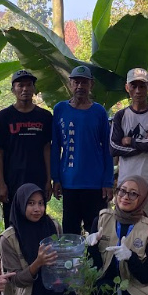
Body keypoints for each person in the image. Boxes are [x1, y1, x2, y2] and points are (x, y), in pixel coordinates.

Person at [0, 183, 75, 295]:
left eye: (41, 203)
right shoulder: (9, 238)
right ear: (20, 204)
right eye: (31, 203)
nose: (37, 209)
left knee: (68, 291)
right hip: (26, 294)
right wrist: (37, 263)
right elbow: (16, 280)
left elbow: (62, 258)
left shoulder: (52, 226)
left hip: (51, 286)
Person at [86, 176, 148, 295]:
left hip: (135, 286)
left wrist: (131, 257)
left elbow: (146, 276)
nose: (126, 197)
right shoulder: (102, 220)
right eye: (122, 191)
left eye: (133, 194)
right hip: (107, 284)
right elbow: (95, 269)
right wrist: (91, 247)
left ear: (142, 199)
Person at [51, 65, 114, 235]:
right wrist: (55, 178)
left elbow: (107, 149)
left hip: (94, 183)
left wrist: (108, 182)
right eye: (76, 82)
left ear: (91, 85)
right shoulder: (60, 110)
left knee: (96, 232)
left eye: (84, 82)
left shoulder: (99, 111)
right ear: (70, 84)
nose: (80, 86)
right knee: (70, 232)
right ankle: (72, 263)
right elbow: (55, 146)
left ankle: (97, 263)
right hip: (69, 182)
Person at [0, 70, 53, 228]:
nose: (25, 89)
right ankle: (12, 253)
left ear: (34, 89)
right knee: (12, 222)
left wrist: (48, 180)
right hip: (12, 179)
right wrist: (1, 183)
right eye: (20, 85)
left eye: (29, 85)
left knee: (37, 219)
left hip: (37, 177)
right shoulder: (4, 116)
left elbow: (47, 148)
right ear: (13, 90)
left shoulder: (45, 116)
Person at [110, 68, 148, 220]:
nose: (138, 90)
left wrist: (131, 141)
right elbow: (114, 148)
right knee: (123, 227)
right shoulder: (120, 115)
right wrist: (146, 142)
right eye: (133, 86)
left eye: (142, 86)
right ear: (127, 87)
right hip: (126, 186)